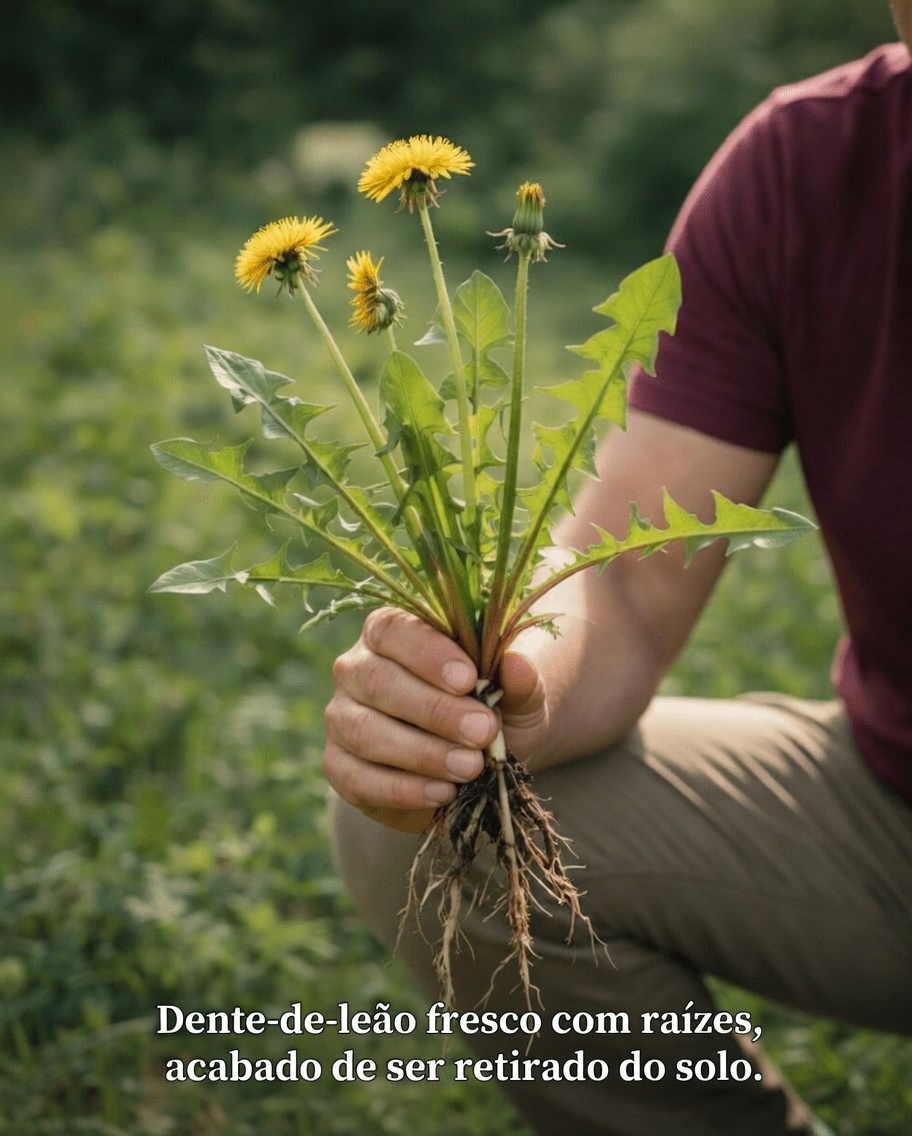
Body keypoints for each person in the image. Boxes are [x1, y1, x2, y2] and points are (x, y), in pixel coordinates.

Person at [322, 9, 912, 1134]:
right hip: (894, 806)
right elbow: (629, 575)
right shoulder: (810, 163)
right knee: (443, 821)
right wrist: (509, 681)